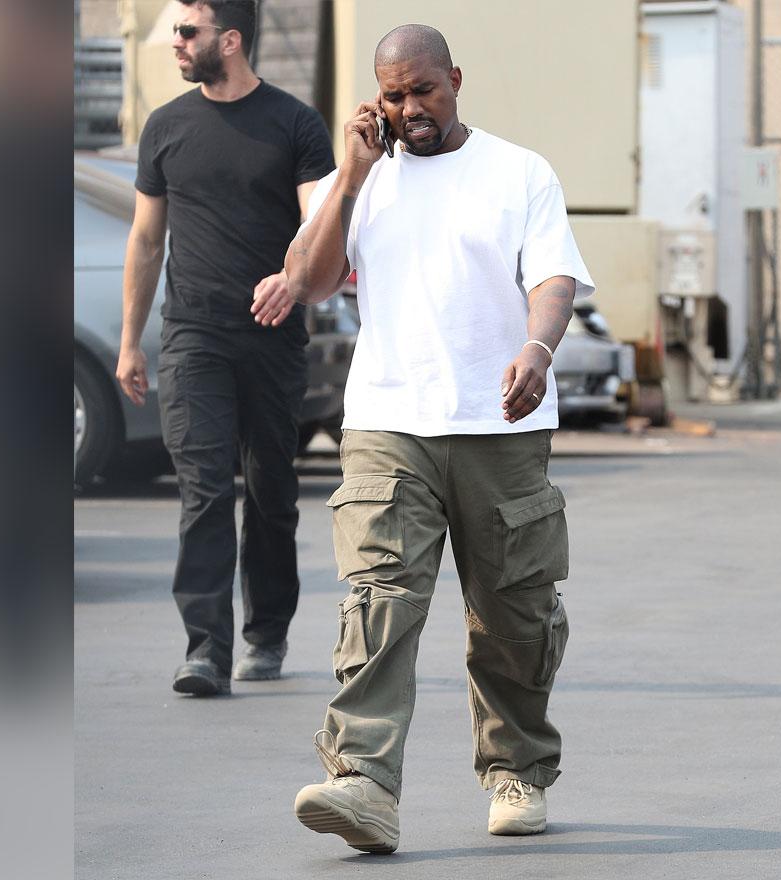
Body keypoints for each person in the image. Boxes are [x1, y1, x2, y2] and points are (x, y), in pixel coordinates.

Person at [284, 23, 593, 853]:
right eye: (394, 95)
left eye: (424, 90)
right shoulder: (358, 179)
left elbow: (553, 277)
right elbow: (311, 281)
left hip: (501, 422)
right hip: (388, 418)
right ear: (375, 97)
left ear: (455, 78)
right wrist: (348, 175)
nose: (411, 108)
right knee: (380, 601)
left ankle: (517, 769)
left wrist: (537, 346)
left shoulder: (518, 170)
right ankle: (364, 783)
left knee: (512, 613)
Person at [117, 0, 335, 695]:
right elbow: (148, 240)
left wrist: (291, 278)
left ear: (230, 40)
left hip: (273, 339)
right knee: (204, 490)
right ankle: (205, 648)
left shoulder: (295, 124)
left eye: (187, 32)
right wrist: (131, 341)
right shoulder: (167, 127)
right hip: (193, 337)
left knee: (270, 492)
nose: (175, 44)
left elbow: (319, 222)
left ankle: (265, 632)